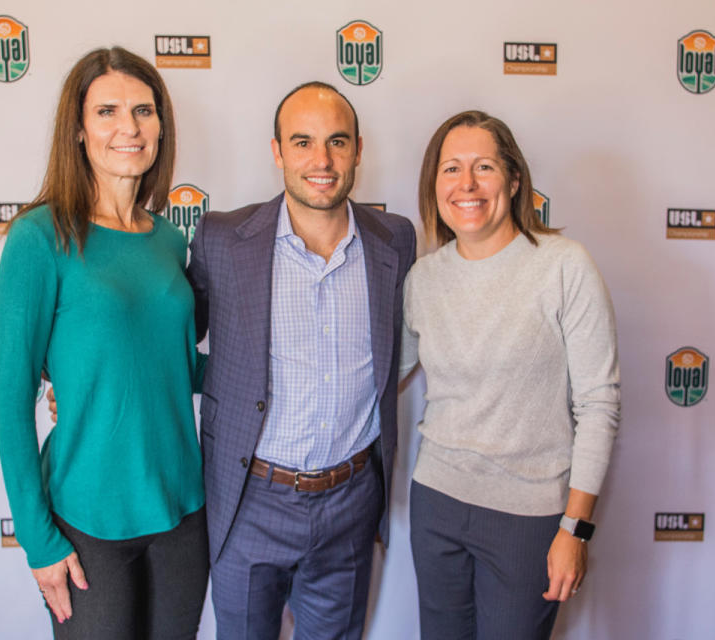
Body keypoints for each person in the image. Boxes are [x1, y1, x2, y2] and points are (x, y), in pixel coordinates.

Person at [0, 47, 207, 640]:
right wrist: (37, 540)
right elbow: (11, 403)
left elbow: (179, 366)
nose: (128, 128)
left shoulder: (169, 239)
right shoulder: (40, 237)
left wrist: (276, 368)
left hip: (182, 510)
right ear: (79, 130)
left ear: (161, 126)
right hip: (86, 522)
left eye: (143, 110)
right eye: (107, 111)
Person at [187, 82, 416, 639]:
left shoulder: (396, 240)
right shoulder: (220, 238)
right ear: (277, 151)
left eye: (337, 142)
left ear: (359, 150)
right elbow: (168, 340)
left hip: (351, 502)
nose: (321, 160)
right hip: (249, 501)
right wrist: (70, 376)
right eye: (303, 142)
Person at [401, 110, 620, 640]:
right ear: (434, 186)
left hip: (529, 520)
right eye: (451, 169)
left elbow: (599, 404)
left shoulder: (564, 266)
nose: (467, 185)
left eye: (484, 167)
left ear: (515, 179)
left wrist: (575, 528)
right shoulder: (423, 278)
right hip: (436, 504)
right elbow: (383, 372)